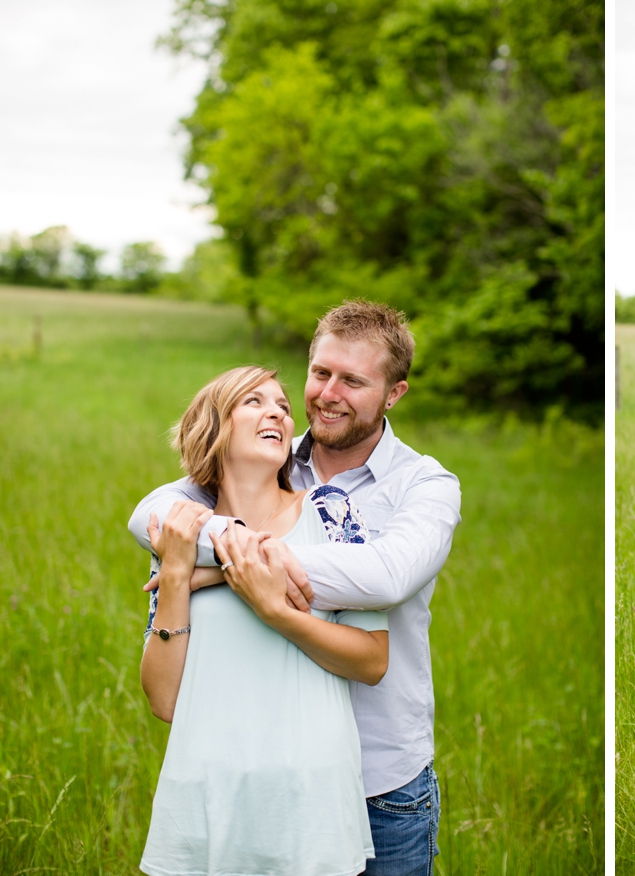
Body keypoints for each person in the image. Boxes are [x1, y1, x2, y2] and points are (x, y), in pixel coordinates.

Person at [130, 301, 462, 876]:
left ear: (394, 393)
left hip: (381, 779)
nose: (328, 394)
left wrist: (227, 572)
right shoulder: (264, 460)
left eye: (353, 381)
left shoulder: (424, 485)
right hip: (239, 775)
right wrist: (195, 565)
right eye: (320, 373)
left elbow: (385, 576)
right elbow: (152, 517)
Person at [139, 365, 388, 876]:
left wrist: (273, 608)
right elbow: (164, 700)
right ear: (213, 429)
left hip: (309, 803)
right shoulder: (181, 536)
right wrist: (179, 572)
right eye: (253, 402)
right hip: (204, 795)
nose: (277, 411)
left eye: (282, 405)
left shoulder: (333, 513)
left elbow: (372, 661)